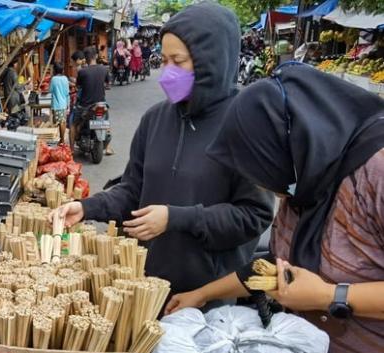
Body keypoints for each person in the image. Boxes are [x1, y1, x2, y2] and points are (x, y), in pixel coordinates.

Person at [165, 63, 384, 353]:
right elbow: (273, 268)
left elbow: (315, 286)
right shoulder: (310, 178)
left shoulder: (376, 170)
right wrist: (203, 295)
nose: (268, 186)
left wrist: (332, 297)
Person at [51, 3, 274, 296]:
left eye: (178, 61)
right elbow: (133, 190)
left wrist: (176, 218)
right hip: (148, 287)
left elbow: (253, 216)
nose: (167, 71)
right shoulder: (155, 119)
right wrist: (87, 207)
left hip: (208, 296)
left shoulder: (246, 125)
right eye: (164, 59)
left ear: (211, 60)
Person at [71, 47, 112, 155]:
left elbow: (78, 86)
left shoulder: (82, 72)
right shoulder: (104, 69)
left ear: (85, 58)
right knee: (105, 122)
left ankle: (70, 150)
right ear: (96, 56)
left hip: (85, 106)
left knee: (73, 124)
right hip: (101, 103)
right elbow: (108, 83)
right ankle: (108, 147)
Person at [49, 62, 70, 145]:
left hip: (57, 104)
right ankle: (62, 139)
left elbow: (50, 90)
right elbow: (67, 92)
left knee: (60, 122)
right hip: (64, 103)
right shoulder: (65, 78)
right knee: (63, 122)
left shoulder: (54, 79)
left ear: (54, 70)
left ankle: (62, 140)